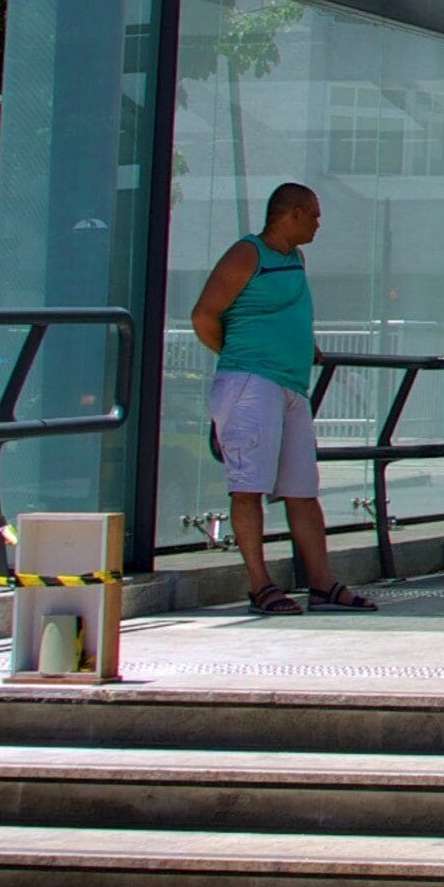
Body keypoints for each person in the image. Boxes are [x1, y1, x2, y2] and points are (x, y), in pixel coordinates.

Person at [187, 182, 375, 617]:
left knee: (302, 489)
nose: (318, 223)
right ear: (290, 214)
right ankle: (260, 584)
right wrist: (242, 355)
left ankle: (322, 583)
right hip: (252, 383)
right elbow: (203, 315)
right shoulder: (248, 254)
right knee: (249, 486)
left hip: (291, 385)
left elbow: (283, 310)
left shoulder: (295, 259)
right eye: (313, 214)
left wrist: (299, 346)